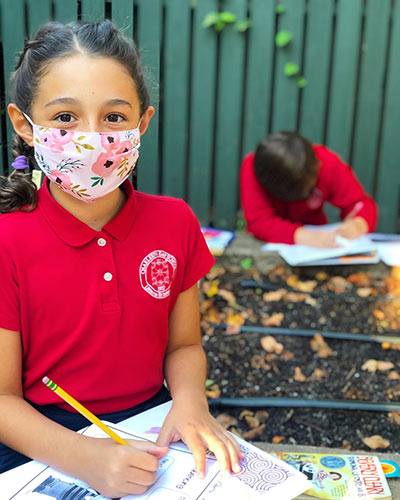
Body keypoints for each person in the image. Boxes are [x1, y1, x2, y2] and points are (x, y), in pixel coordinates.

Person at [0, 21, 242, 498]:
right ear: (25, 126)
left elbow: (184, 346)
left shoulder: (175, 224)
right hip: (37, 439)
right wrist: (83, 457)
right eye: (65, 117)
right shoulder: (6, 239)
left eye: (114, 118)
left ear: (142, 123)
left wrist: (190, 403)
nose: (91, 137)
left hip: (153, 425)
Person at [240, 132, 378, 247]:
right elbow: (258, 221)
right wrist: (301, 235)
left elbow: (361, 203)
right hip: (268, 245)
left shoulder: (326, 162)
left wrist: (358, 224)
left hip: (318, 245)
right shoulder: (252, 168)